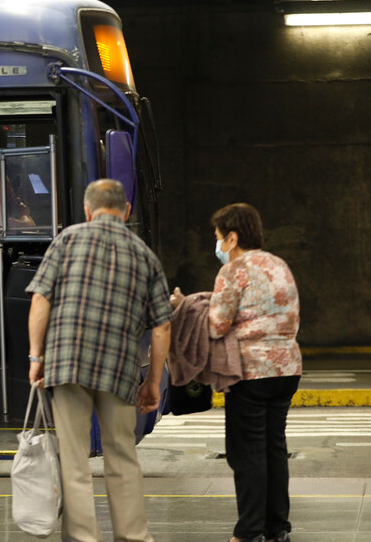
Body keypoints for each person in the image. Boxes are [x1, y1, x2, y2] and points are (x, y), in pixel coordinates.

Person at [25, 178, 172, 542]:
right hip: (119, 369)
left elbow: (40, 301)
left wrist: (36, 356)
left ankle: (82, 538)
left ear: (88, 211)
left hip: (67, 362)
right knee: (121, 456)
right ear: (127, 211)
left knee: (74, 459)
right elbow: (162, 327)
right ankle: (133, 537)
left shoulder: (66, 240)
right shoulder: (144, 254)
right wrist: (152, 381)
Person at [171, 203, 301, 542]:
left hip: (250, 372)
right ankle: (278, 527)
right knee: (274, 449)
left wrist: (184, 306)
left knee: (247, 452)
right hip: (287, 369)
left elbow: (216, 325)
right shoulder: (279, 264)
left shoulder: (234, 270)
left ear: (232, 237)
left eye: (218, 238)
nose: (217, 245)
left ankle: (248, 532)